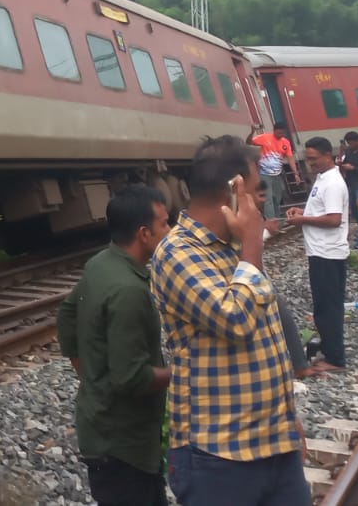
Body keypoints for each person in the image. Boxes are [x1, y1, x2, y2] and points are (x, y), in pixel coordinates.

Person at [152, 137, 309, 506]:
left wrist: (287, 422)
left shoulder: (231, 249)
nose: (260, 203)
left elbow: (263, 339)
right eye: (256, 193)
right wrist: (253, 243)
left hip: (274, 444)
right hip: (218, 456)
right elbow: (235, 319)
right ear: (234, 192)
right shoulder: (178, 253)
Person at [56, 185, 171, 506]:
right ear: (144, 233)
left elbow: (66, 317)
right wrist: (180, 374)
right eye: (164, 223)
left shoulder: (100, 263)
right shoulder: (129, 291)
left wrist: (88, 376)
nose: (170, 230)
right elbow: (130, 377)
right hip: (124, 446)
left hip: (103, 433)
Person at [288, 136, 349, 372]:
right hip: (321, 252)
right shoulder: (323, 179)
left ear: (328, 155)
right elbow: (323, 211)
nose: (310, 163)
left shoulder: (332, 183)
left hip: (327, 253)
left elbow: (334, 219)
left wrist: (303, 219)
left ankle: (335, 359)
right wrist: (303, 212)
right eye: (308, 159)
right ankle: (330, 350)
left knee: (328, 308)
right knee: (324, 306)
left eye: (314, 159)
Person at [253, 178, 315, 380]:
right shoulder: (241, 215)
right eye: (260, 196)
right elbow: (244, 246)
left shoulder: (249, 213)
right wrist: (265, 233)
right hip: (252, 279)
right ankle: (298, 365)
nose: (264, 200)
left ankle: (297, 365)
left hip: (258, 277)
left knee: (282, 317)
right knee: (283, 317)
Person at [249, 123, 297, 219]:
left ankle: (277, 219)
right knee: (268, 198)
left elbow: (290, 158)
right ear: (274, 131)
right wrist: (252, 132)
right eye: (278, 133)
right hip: (264, 174)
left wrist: (295, 173)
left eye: (282, 133)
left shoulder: (285, 142)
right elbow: (249, 142)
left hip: (278, 174)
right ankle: (271, 220)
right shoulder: (265, 138)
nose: (280, 135)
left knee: (277, 198)